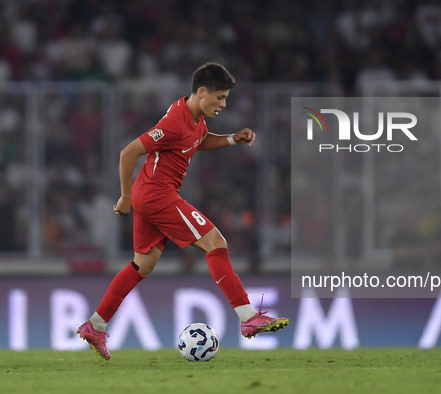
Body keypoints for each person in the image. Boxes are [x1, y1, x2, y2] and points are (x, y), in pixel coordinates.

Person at [76, 62, 289, 360]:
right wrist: (124, 196)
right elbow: (129, 152)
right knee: (216, 243)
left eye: (225, 98)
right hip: (156, 195)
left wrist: (231, 138)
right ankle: (248, 317)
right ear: (202, 92)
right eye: (220, 97)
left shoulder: (195, 118)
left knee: (143, 264)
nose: (223, 104)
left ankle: (95, 325)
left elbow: (198, 141)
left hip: (150, 194)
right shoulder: (174, 122)